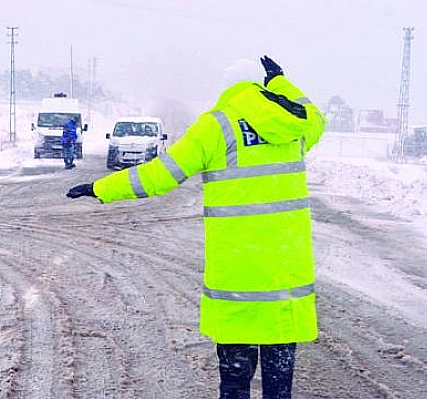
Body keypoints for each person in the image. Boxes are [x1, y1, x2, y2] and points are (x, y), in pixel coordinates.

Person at [66, 55, 326, 399]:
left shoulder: (216, 126)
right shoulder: (294, 128)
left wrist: (102, 188)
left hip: (237, 282)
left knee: (235, 386)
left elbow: (160, 176)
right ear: (260, 86)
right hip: (286, 282)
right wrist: (280, 83)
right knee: (279, 389)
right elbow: (315, 117)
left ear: (226, 88)